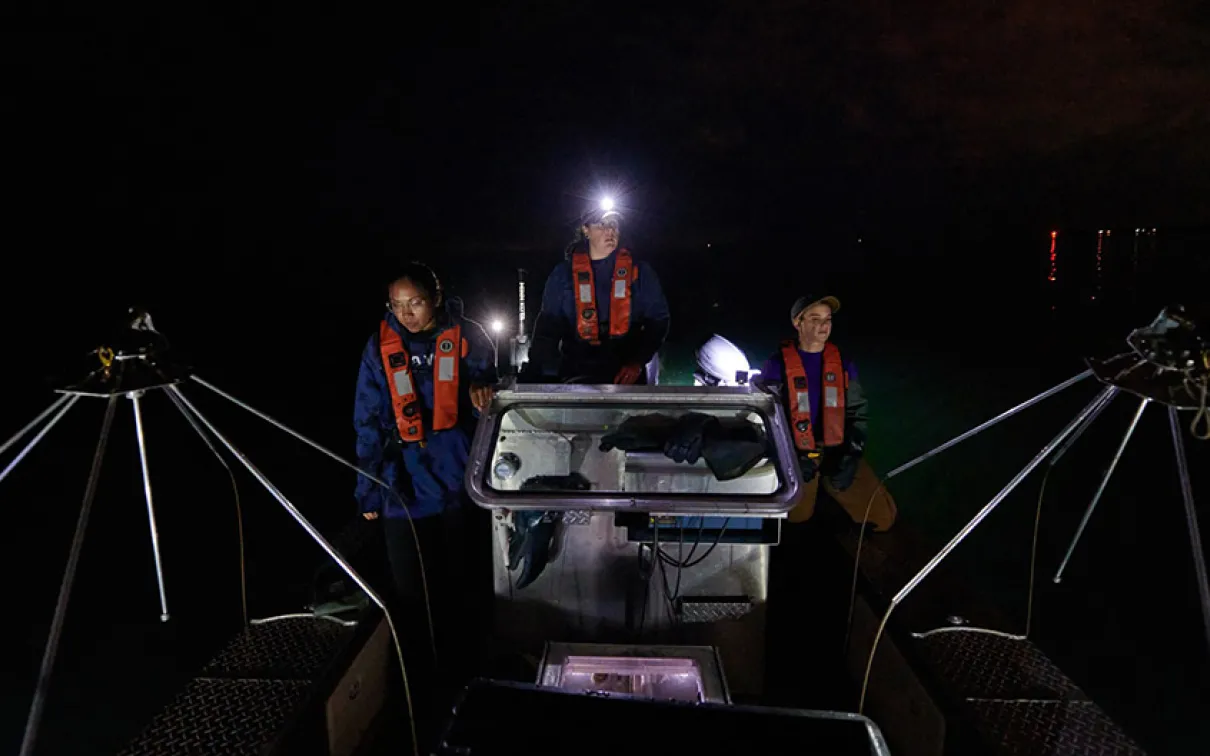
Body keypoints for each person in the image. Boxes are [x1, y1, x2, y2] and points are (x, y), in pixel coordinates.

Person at [352, 261, 496, 735]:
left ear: (434, 296)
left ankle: (469, 685)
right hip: (402, 490)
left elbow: (490, 385)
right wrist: (367, 488)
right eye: (397, 305)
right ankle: (419, 694)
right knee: (412, 599)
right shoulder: (378, 348)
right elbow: (368, 420)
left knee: (462, 591)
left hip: (458, 486)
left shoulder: (469, 335)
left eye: (414, 302)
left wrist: (484, 388)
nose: (407, 314)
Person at [758, 293, 897, 532]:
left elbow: (857, 411)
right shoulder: (776, 364)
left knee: (883, 519)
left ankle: (834, 489)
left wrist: (851, 454)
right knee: (795, 520)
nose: (823, 325)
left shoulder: (842, 362)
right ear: (797, 323)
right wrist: (789, 456)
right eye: (814, 318)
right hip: (798, 453)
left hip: (836, 448)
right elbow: (769, 419)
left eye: (827, 319)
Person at [521, 199, 671, 385]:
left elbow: (658, 321)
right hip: (577, 373)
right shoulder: (563, 275)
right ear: (586, 229)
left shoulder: (640, 273)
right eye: (601, 224)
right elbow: (547, 328)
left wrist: (637, 362)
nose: (610, 231)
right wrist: (534, 373)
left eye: (614, 225)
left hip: (625, 376)